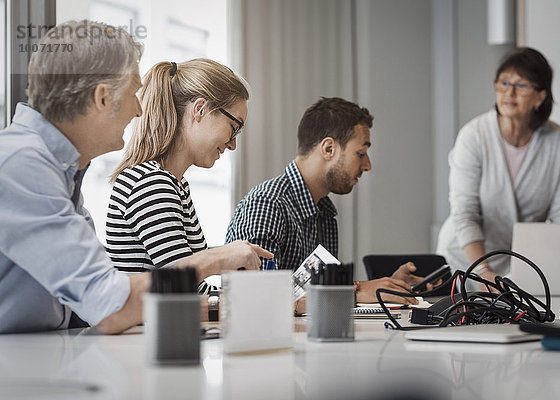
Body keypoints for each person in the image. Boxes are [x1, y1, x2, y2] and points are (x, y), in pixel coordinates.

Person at [0, 20, 271, 334]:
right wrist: (213, 260)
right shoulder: (24, 166)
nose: (140, 110)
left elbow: (97, 292)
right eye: (133, 94)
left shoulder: (54, 168)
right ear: (103, 99)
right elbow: (109, 305)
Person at [226, 97, 431, 310]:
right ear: (328, 149)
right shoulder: (268, 204)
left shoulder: (323, 212)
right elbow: (251, 297)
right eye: (360, 153)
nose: (367, 165)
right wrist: (355, 290)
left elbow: (306, 290)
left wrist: (390, 287)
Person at [105, 58, 259, 294]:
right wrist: (270, 302)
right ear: (200, 109)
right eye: (234, 127)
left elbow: (193, 291)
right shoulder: (152, 184)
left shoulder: (174, 184)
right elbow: (186, 295)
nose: (233, 144)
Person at [436, 47, 560, 285]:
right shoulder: (474, 135)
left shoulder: (556, 140)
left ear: (541, 96)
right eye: (504, 83)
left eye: (521, 85)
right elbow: (465, 213)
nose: (509, 93)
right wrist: (482, 271)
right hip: (465, 257)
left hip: (517, 263)